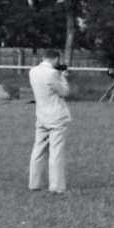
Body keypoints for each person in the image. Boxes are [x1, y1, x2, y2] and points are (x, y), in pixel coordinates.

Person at [28, 47, 71, 194]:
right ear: (56, 59)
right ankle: (56, 186)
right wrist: (63, 76)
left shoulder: (33, 71)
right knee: (56, 152)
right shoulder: (52, 73)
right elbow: (64, 91)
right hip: (56, 116)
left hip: (41, 115)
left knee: (38, 150)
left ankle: (34, 183)